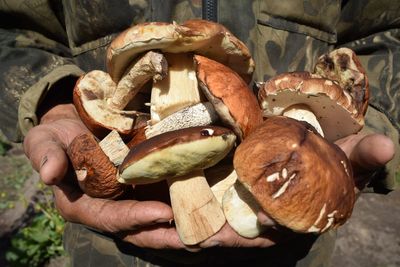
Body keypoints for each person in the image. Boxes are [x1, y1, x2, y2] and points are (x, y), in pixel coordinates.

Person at [1, 0, 398, 266]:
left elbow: (388, 32)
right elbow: (12, 30)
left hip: (294, 252)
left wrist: (374, 118)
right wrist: (51, 100)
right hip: (108, 253)